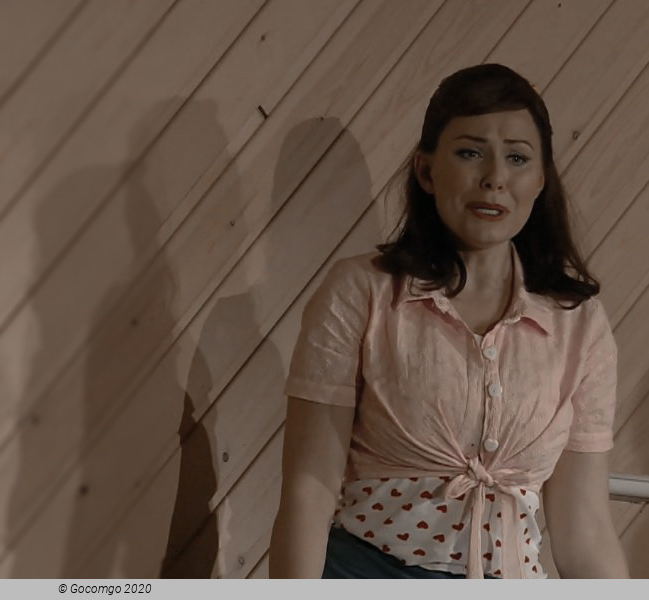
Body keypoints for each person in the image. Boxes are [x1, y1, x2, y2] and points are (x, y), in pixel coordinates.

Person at [268, 63, 629, 579]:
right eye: (469, 152)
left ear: (540, 179)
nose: (494, 178)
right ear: (426, 171)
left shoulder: (579, 323)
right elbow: (310, 489)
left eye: (517, 158)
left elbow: (585, 531)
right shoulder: (362, 291)